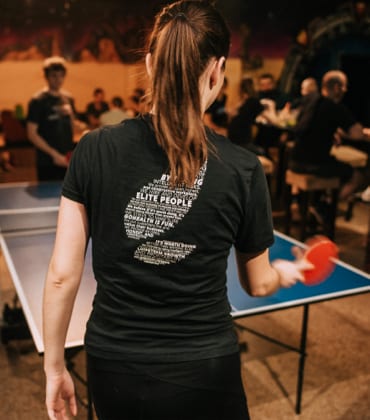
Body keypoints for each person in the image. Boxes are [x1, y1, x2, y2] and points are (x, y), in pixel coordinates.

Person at [42, 2, 308, 420]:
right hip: (206, 367)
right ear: (218, 71)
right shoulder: (243, 168)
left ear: (150, 63)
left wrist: (54, 366)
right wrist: (285, 274)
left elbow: (62, 275)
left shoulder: (93, 149)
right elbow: (257, 284)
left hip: (114, 364)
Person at [289, 70, 370, 201]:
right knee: (358, 175)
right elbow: (357, 134)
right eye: (345, 86)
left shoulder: (311, 100)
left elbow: (309, 125)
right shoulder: (335, 108)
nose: (346, 90)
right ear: (337, 88)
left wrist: (334, 132)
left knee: (334, 164)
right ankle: (326, 207)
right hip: (313, 164)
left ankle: (316, 201)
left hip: (294, 160)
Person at [26, 56, 76, 181]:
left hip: (66, 159)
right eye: (54, 75)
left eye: (61, 75)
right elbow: (31, 134)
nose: (58, 79)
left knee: (66, 198)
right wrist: (54, 155)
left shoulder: (68, 98)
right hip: (47, 161)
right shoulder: (37, 100)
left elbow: (72, 126)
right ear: (46, 76)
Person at [228, 77, 265, 154]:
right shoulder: (254, 101)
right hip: (243, 138)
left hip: (233, 134)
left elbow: (231, 114)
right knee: (261, 151)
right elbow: (265, 114)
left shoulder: (243, 101)